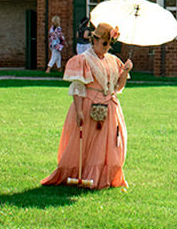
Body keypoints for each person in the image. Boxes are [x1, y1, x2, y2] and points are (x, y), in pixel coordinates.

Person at [42, 22, 131, 189]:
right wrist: (78, 111)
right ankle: (84, 174)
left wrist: (125, 71)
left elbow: (118, 87)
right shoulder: (84, 60)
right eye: (104, 43)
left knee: (109, 142)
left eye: (110, 44)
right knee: (90, 142)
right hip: (90, 106)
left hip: (110, 107)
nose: (107, 47)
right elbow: (78, 88)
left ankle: (106, 175)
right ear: (95, 41)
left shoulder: (113, 61)